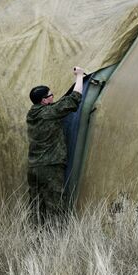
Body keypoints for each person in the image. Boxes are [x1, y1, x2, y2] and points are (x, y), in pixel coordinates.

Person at [26, 66, 84, 222]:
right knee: (55, 204)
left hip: (34, 167)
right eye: (51, 95)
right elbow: (74, 99)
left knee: (37, 206)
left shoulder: (32, 113)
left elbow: (57, 106)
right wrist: (79, 76)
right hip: (50, 166)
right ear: (44, 100)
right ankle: (56, 240)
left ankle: (37, 238)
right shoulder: (48, 113)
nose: (53, 97)